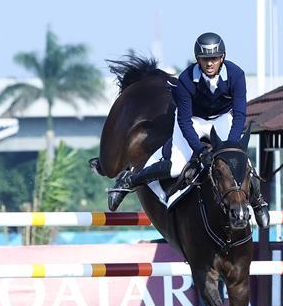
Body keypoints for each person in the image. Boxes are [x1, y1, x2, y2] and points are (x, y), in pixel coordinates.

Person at [107, 32, 270, 228]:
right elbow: (184, 121)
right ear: (198, 59)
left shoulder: (236, 75)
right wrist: (201, 152)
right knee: (176, 166)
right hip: (192, 120)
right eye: (204, 59)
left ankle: (258, 202)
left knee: (238, 160)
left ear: (222, 58)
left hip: (221, 119)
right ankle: (131, 179)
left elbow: (240, 114)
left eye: (214, 59)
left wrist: (231, 146)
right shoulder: (186, 79)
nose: (209, 64)